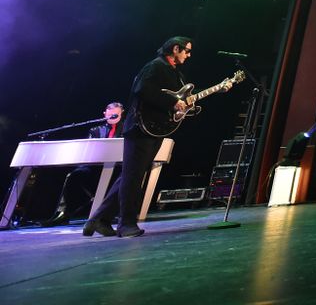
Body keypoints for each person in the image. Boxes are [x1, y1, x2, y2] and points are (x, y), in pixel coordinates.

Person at [83, 37, 231, 238]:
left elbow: (180, 98)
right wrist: (172, 103)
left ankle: (99, 219)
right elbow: (142, 90)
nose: (189, 55)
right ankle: (126, 224)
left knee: (132, 174)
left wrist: (217, 89)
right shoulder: (156, 66)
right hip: (140, 127)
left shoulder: (174, 73)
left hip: (155, 129)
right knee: (133, 176)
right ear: (175, 48)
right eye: (186, 51)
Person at [40, 102, 125, 227]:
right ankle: (63, 213)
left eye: (116, 115)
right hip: (95, 167)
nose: (112, 117)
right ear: (104, 114)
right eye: (110, 115)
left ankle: (114, 213)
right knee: (74, 175)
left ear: (122, 115)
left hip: (118, 167)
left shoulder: (127, 129)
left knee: (124, 176)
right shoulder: (95, 130)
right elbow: (89, 152)